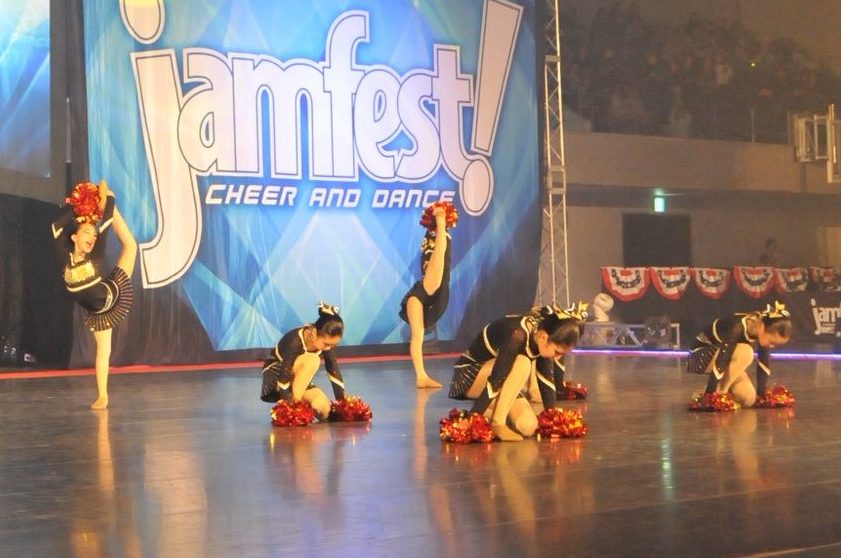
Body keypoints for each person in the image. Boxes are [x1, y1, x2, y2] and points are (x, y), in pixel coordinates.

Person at [51, 180, 137, 409]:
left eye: (94, 234)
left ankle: (114, 200)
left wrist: (108, 199)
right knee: (103, 351)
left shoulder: (95, 256)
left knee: (131, 246)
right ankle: (103, 396)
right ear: (74, 237)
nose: (92, 237)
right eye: (87, 233)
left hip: (114, 292)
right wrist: (78, 206)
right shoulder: (65, 258)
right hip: (98, 311)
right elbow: (56, 227)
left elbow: (105, 222)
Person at [449, 303, 588, 442]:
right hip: (471, 375)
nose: (557, 358)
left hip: (502, 380)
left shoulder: (541, 341)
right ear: (543, 338)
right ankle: (497, 422)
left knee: (527, 426)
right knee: (523, 363)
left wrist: (554, 419)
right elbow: (496, 378)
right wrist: (474, 417)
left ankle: (485, 414)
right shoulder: (517, 335)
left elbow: (546, 382)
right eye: (557, 352)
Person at [687, 301, 792, 407]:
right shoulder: (737, 326)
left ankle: (701, 393)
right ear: (762, 327)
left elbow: (763, 364)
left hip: (725, 359)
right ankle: (715, 393)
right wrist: (711, 395)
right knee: (746, 352)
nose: (772, 346)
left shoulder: (761, 331)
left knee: (748, 398)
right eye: (772, 342)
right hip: (700, 356)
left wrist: (762, 395)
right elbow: (722, 360)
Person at [399, 202, 456, 388]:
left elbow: (440, 252)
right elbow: (438, 254)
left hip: (428, 290)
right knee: (418, 335)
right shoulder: (437, 237)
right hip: (422, 293)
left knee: (419, 335)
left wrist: (441, 223)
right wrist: (440, 221)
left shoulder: (440, 237)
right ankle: (421, 377)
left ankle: (421, 377)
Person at [260, 303, 347, 420]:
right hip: (277, 376)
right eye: (326, 344)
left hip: (295, 382)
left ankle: (298, 404)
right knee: (312, 359)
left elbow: (333, 369)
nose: (328, 349)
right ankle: (295, 405)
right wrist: (289, 408)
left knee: (324, 410)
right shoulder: (295, 340)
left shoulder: (325, 344)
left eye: (333, 345)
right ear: (314, 332)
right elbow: (284, 375)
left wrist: (342, 404)